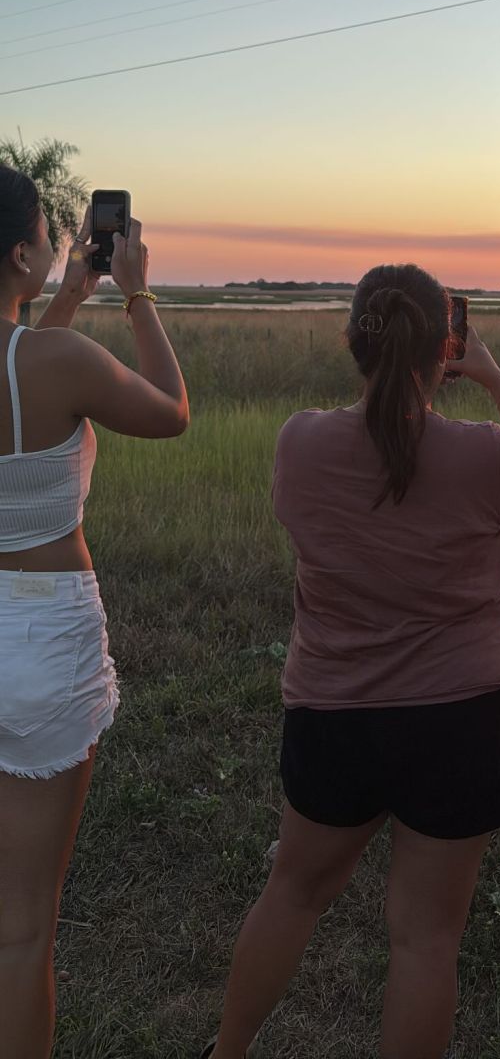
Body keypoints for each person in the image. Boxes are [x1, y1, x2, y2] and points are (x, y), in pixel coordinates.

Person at [202, 262, 500, 1059]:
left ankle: (226, 1052)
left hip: (335, 717)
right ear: (446, 349)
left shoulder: (302, 443)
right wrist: (497, 381)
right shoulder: (488, 456)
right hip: (465, 721)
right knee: (426, 942)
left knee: (292, 893)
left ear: (353, 342)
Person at [0, 169, 189, 1059]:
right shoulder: (53, 361)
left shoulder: (41, 351)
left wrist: (70, 294)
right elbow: (172, 413)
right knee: (21, 928)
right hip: (41, 636)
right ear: (21, 252)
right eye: (47, 233)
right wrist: (137, 292)